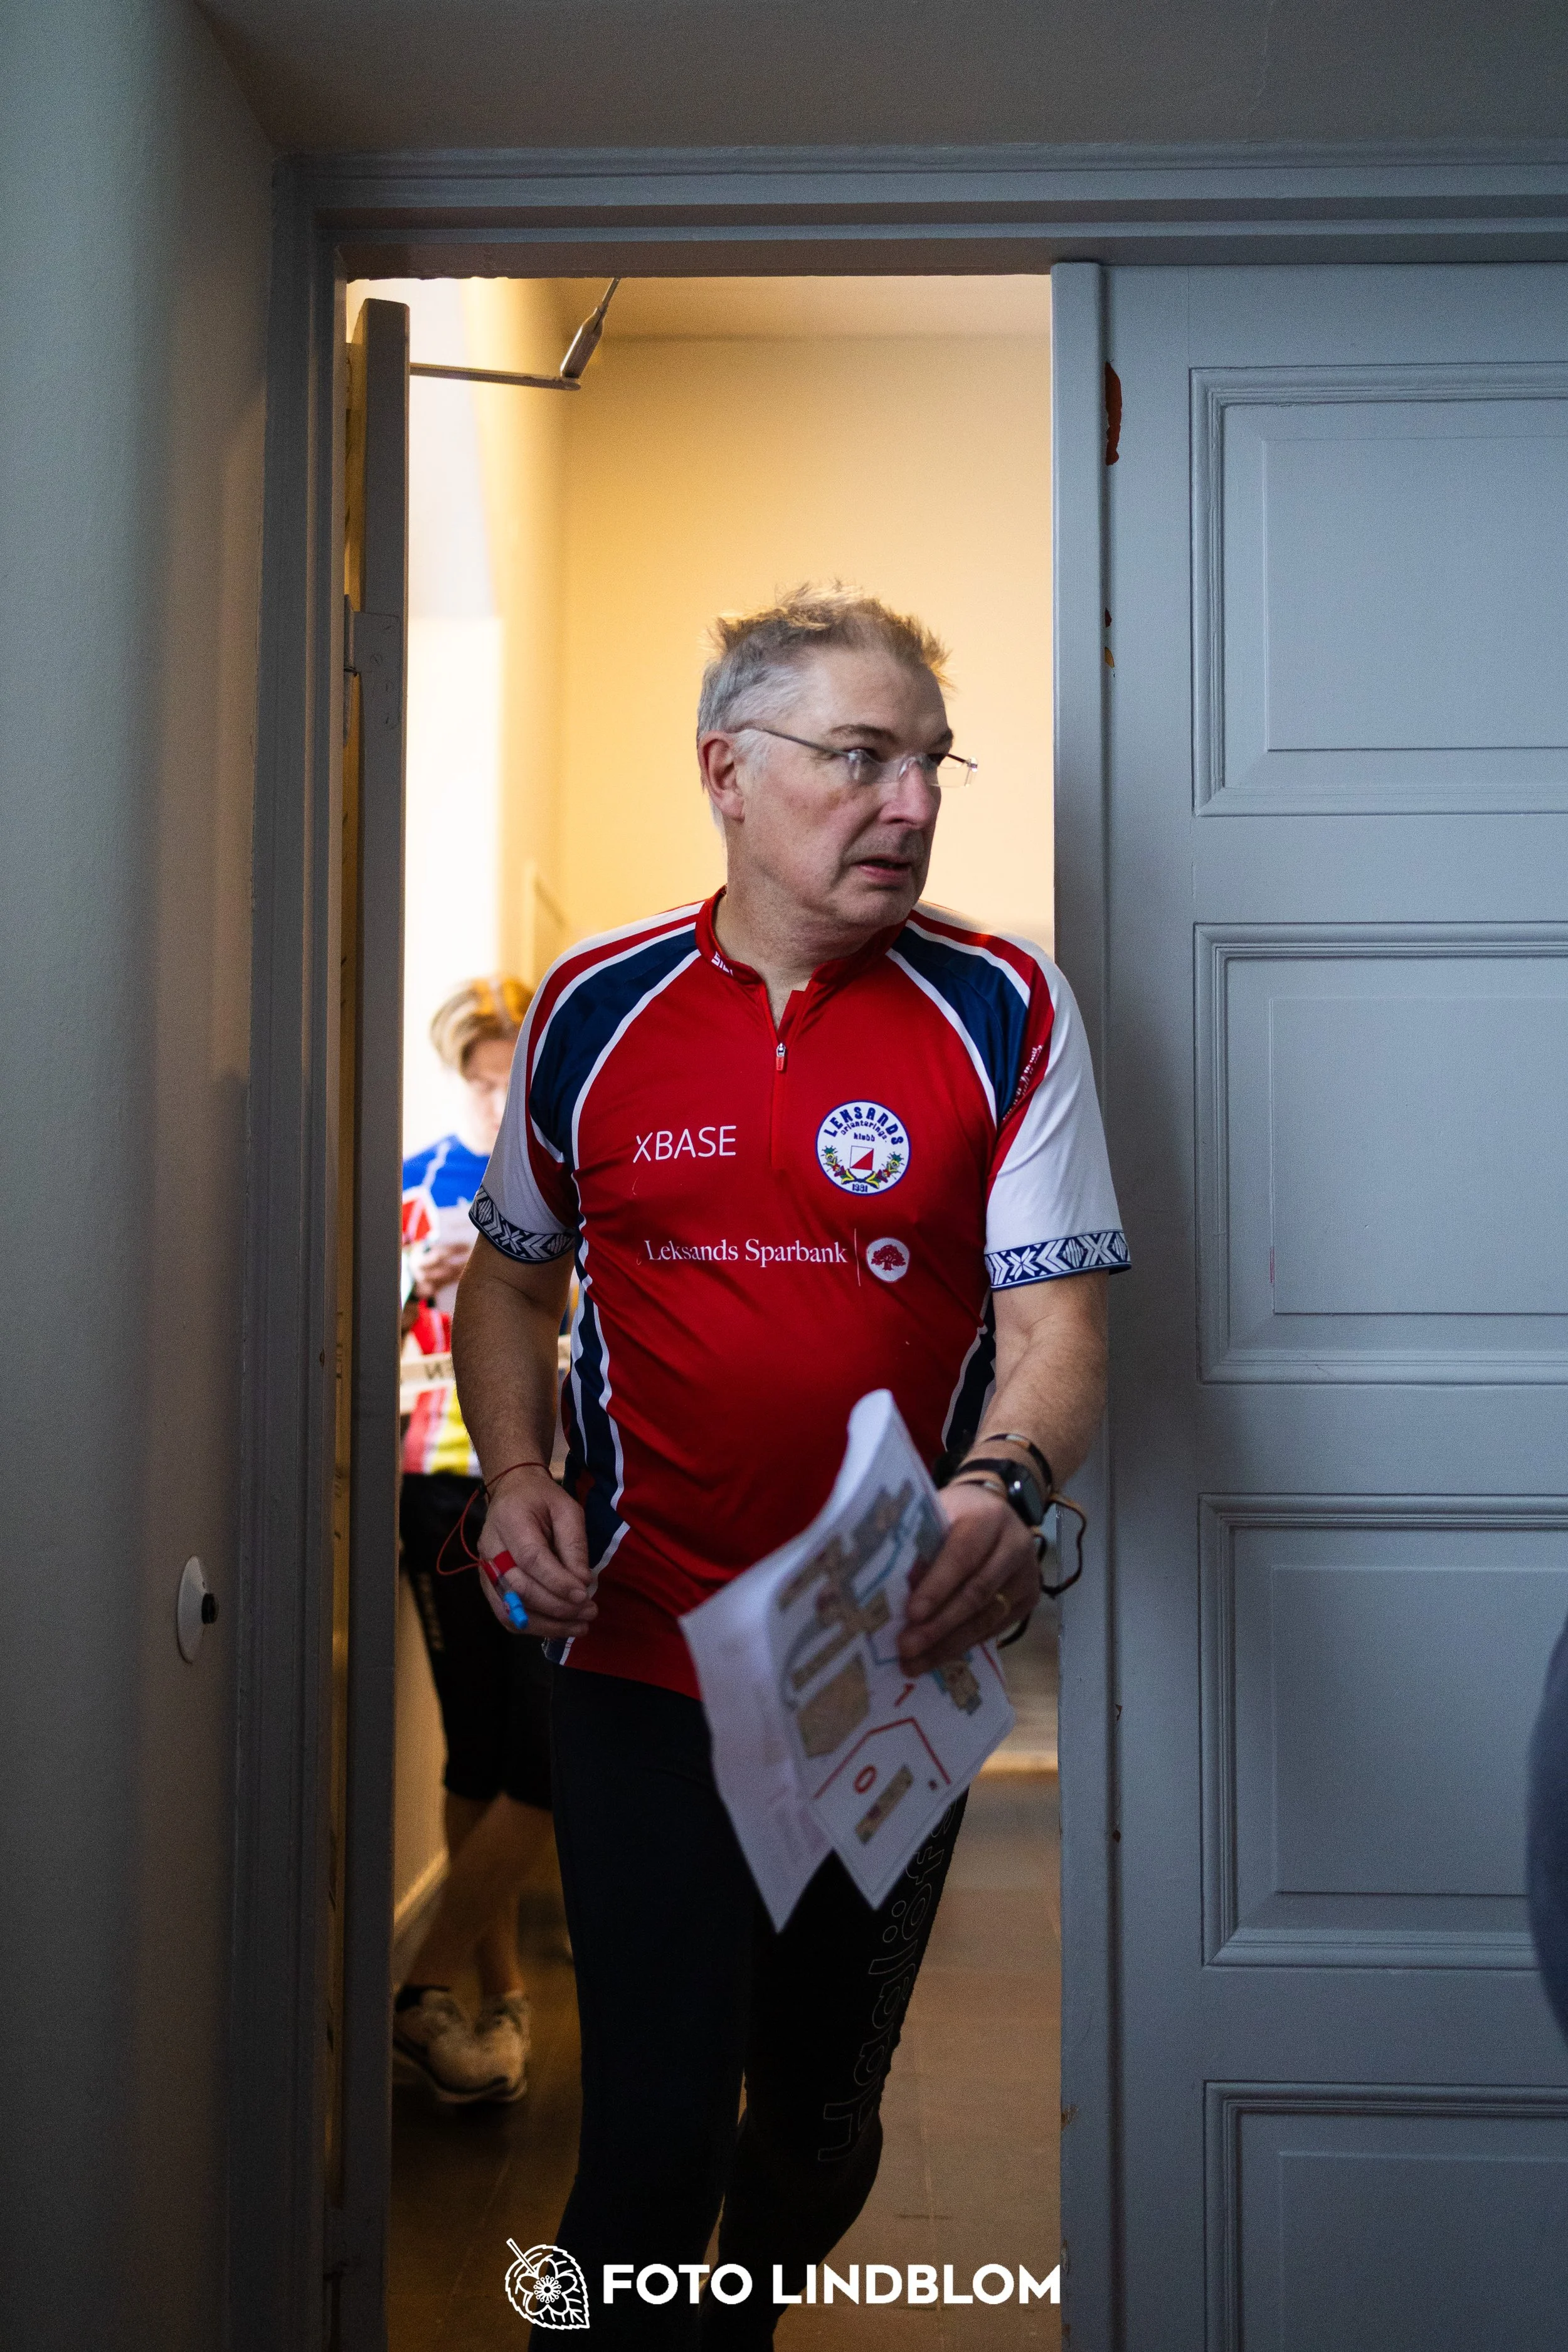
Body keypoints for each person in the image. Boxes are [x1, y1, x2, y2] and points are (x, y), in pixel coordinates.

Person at [453, 587, 1126, 2336]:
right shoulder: (595, 1006)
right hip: (638, 1649)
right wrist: (517, 1461)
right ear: (726, 774)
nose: (908, 801)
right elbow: (515, 1284)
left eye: (926, 763)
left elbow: (1056, 1332)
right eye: (857, 758)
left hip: (880, 1670)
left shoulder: (1002, 1005)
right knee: (648, 2145)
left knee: (814, 2130)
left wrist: (1006, 1488)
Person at [393, 976, 556, 2106]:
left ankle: (428, 1984)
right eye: (485, 1079)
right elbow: (346, 1314)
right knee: (479, 1749)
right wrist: (416, 1280)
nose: (501, 1098)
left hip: (549, 1478)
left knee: (543, 1757)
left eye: (516, 1077)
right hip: (435, 1477)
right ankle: (488, 1996)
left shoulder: (562, 1172)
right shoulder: (410, 1180)